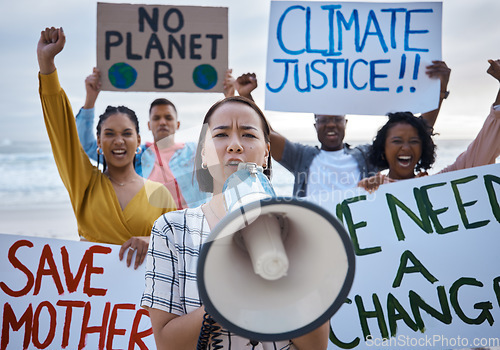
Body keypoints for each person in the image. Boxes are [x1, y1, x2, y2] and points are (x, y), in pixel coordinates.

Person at [141, 96, 329, 349]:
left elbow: (315, 345)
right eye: (221, 135)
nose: (235, 146)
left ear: (266, 153)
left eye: (249, 135)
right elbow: (167, 343)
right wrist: (227, 294)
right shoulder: (171, 230)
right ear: (204, 154)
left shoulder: (296, 228)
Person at [37, 26, 176, 269]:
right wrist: (46, 63)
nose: (119, 141)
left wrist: (151, 241)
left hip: (146, 302)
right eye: (109, 134)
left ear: (139, 140)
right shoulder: (84, 183)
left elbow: (177, 251)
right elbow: (61, 130)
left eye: (126, 134)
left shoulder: (161, 194)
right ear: (98, 142)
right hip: (94, 301)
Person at [243, 61, 451, 198]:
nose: (331, 124)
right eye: (324, 120)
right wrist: (245, 96)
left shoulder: (366, 156)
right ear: (315, 125)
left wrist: (440, 88)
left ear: (345, 123)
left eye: (336, 119)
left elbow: (418, 131)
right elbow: (265, 133)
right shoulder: (301, 156)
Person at [75, 68, 228, 209]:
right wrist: (90, 98)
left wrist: (231, 96)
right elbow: (87, 146)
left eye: (168, 117)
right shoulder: (135, 154)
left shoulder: (195, 152)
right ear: (149, 124)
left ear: (178, 124)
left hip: (191, 230)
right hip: (149, 230)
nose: (162, 122)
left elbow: (230, 151)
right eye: (157, 118)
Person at [358, 58, 500, 192]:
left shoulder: (439, 186)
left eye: (414, 141)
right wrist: (363, 192)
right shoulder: (367, 189)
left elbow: (482, 150)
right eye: (397, 141)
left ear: (423, 148)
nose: (406, 147)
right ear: (383, 149)